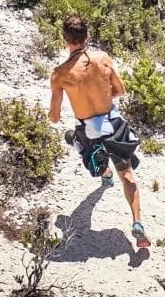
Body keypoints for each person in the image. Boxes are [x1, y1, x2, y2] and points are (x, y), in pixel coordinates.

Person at [49, 14, 150, 249]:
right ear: (88, 37)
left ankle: (102, 170)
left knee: (79, 141)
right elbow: (120, 90)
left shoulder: (59, 73)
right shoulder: (103, 58)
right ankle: (137, 224)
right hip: (113, 123)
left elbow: (54, 118)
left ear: (65, 39)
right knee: (127, 174)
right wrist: (102, 96)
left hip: (88, 128)